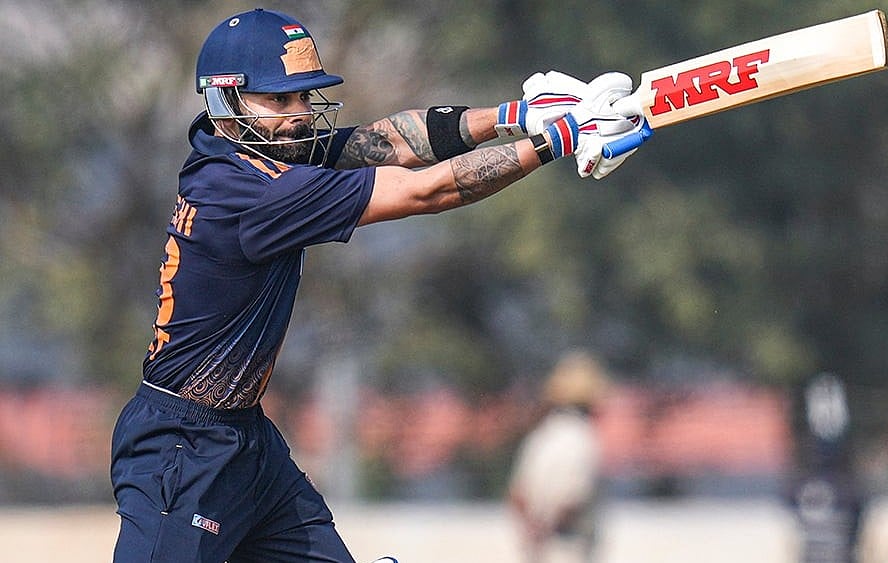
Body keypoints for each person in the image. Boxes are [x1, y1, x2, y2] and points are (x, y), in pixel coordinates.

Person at [109, 8, 647, 563]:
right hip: (181, 447)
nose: (298, 115)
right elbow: (424, 191)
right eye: (279, 100)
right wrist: (561, 138)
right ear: (225, 101)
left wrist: (519, 115)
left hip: (244, 440)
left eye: (303, 98)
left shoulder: (259, 154)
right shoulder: (251, 195)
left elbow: (391, 141)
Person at [508, 350, 611, 563]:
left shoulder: (541, 436)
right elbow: (572, 498)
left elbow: (517, 495)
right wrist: (547, 531)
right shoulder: (581, 438)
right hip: (569, 552)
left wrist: (532, 533)